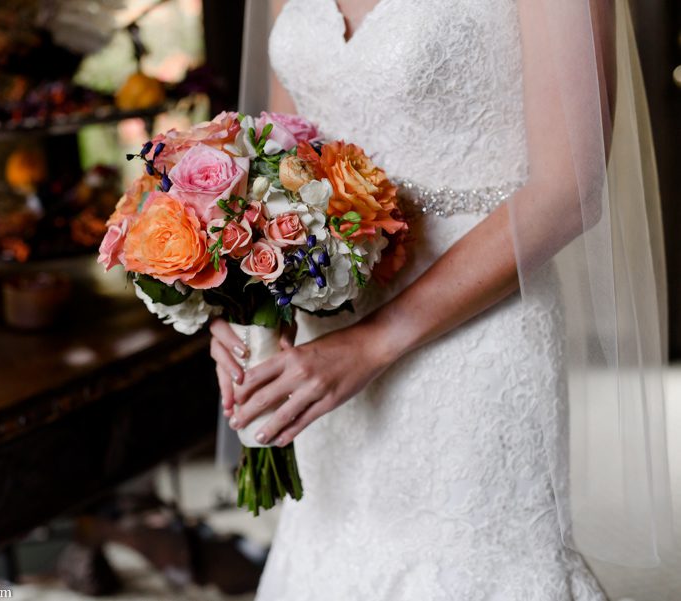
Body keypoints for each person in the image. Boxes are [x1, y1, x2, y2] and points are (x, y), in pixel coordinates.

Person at [209, 0, 670, 599]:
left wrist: (376, 342)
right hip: (327, 332)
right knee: (336, 550)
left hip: (479, 331)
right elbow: (287, 160)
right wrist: (254, 308)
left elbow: (569, 189)